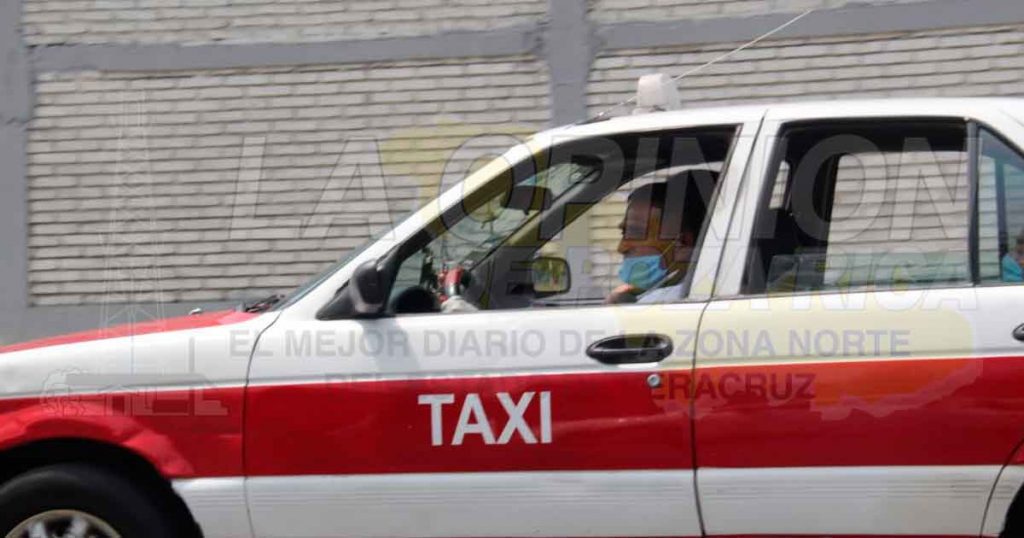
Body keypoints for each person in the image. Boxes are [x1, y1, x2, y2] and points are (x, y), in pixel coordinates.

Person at [607, 169, 716, 304]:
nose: (622, 248)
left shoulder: (660, 303)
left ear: (684, 243)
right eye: (624, 233)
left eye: (636, 233)